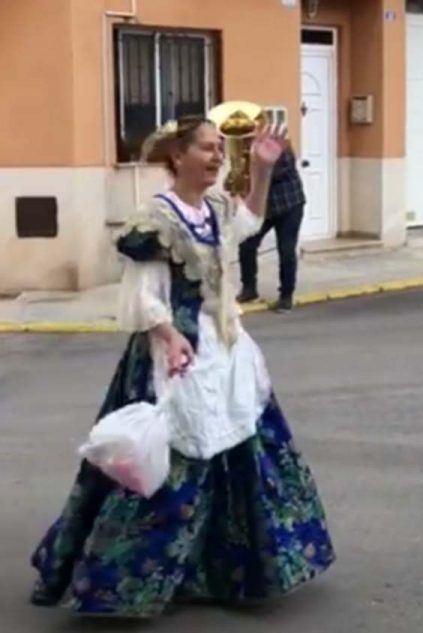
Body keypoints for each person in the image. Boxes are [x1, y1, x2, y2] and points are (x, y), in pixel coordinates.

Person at [29, 116, 335, 617]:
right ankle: (123, 582)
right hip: (174, 353)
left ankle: (216, 570)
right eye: (209, 149)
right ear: (178, 156)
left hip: (225, 346)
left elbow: (249, 224)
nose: (218, 157)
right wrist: (169, 338)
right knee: (166, 464)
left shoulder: (214, 206)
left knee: (239, 448)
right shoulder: (156, 220)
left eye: (220, 149)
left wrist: (261, 171)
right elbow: (142, 297)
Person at [238, 130, 305, 313]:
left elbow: (275, 172)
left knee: (286, 250)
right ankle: (249, 289)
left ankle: (286, 296)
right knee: (246, 243)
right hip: (266, 209)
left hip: (289, 204)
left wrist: (256, 162)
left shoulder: (278, 145)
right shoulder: (247, 150)